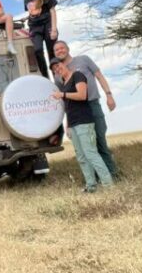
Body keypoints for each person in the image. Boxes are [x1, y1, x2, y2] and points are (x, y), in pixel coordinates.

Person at [53, 40, 119, 178]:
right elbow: (64, 100)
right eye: (56, 50)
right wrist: (67, 122)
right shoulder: (58, 73)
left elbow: (99, 76)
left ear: (68, 48)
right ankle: (96, 178)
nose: (60, 51)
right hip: (77, 112)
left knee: (100, 140)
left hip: (92, 104)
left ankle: (113, 174)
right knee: (87, 147)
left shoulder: (83, 60)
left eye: (62, 48)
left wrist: (109, 95)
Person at [50, 58, 113, 193]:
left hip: (84, 121)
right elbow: (68, 106)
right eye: (54, 69)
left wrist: (62, 94)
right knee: (81, 157)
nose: (57, 69)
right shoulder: (64, 83)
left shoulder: (78, 75)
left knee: (91, 154)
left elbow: (82, 95)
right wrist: (67, 125)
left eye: (58, 65)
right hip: (73, 123)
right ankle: (91, 186)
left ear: (64, 64)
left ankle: (108, 185)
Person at [24, 0, 59, 78]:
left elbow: (52, 11)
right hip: (35, 27)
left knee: (52, 51)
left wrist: (53, 29)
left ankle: (57, 77)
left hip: (47, 24)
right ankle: (45, 77)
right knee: (38, 50)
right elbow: (31, 12)